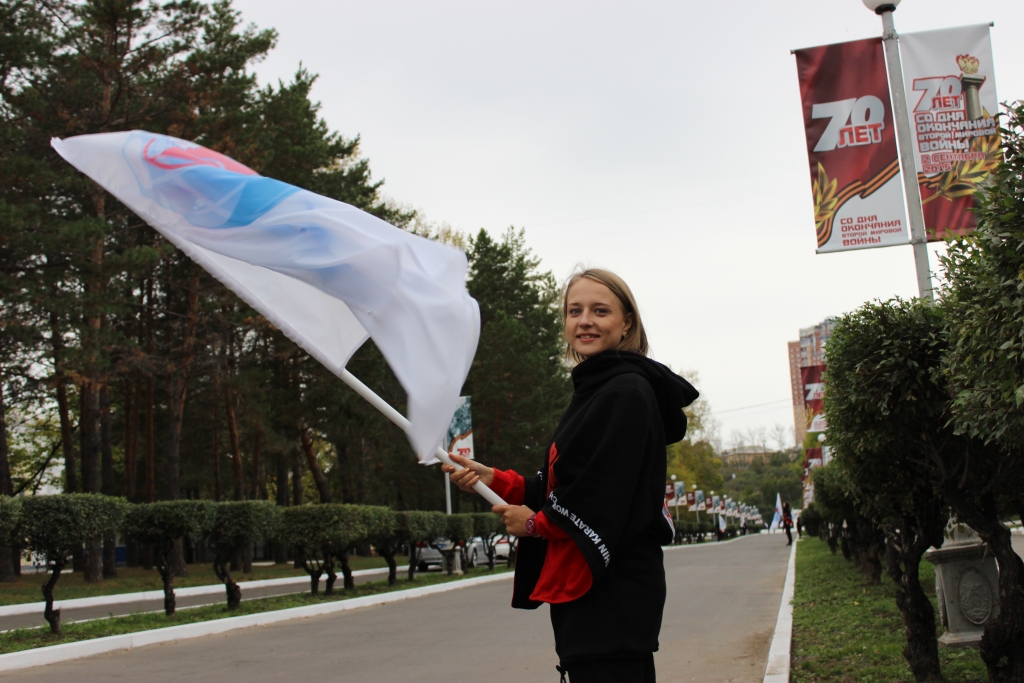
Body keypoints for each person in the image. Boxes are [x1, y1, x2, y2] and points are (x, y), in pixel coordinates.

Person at [443, 268, 698, 683]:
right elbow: (566, 479)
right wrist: (494, 478)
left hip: (611, 593)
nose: (585, 321)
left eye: (600, 310)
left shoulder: (625, 391)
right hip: (592, 595)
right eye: (574, 311)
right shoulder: (597, 387)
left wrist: (533, 523)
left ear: (627, 322)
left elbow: (602, 492)